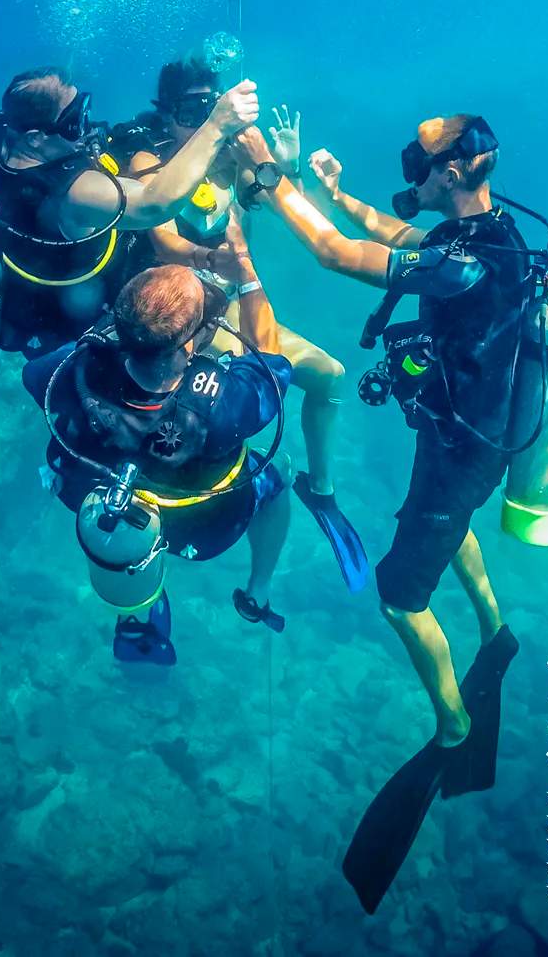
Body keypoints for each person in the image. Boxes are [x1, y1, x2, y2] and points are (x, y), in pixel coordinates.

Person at [234, 113, 526, 910]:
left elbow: (338, 255)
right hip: (473, 439)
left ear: (456, 171)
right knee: (449, 520)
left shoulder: (462, 267)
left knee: (401, 596)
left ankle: (454, 727)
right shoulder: (490, 233)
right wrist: (336, 191)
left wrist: (270, 177)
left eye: (418, 157)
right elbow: (396, 231)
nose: (410, 168)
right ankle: (496, 629)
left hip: (462, 449)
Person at [113, 54, 368, 590]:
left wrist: (289, 166)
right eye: (189, 109)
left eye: (210, 104)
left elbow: (273, 201)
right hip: (172, 316)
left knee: (330, 375)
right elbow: (161, 236)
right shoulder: (148, 157)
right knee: (187, 448)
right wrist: (214, 261)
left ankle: (320, 489)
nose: (202, 117)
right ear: (166, 113)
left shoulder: (230, 154)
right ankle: (143, 568)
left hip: (227, 305)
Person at [0, 66, 260, 437]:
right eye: (73, 122)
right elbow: (155, 203)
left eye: (81, 109)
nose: (84, 127)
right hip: (73, 308)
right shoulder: (72, 192)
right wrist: (216, 125)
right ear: (36, 138)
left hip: (18, 296)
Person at [22, 214, 292, 663]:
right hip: (200, 524)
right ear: (189, 347)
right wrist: (245, 271)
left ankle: (136, 610)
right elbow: (272, 360)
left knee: (123, 540)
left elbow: (35, 379)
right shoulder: (222, 406)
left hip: (92, 493)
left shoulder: (80, 364)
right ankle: (256, 590)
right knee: (281, 472)